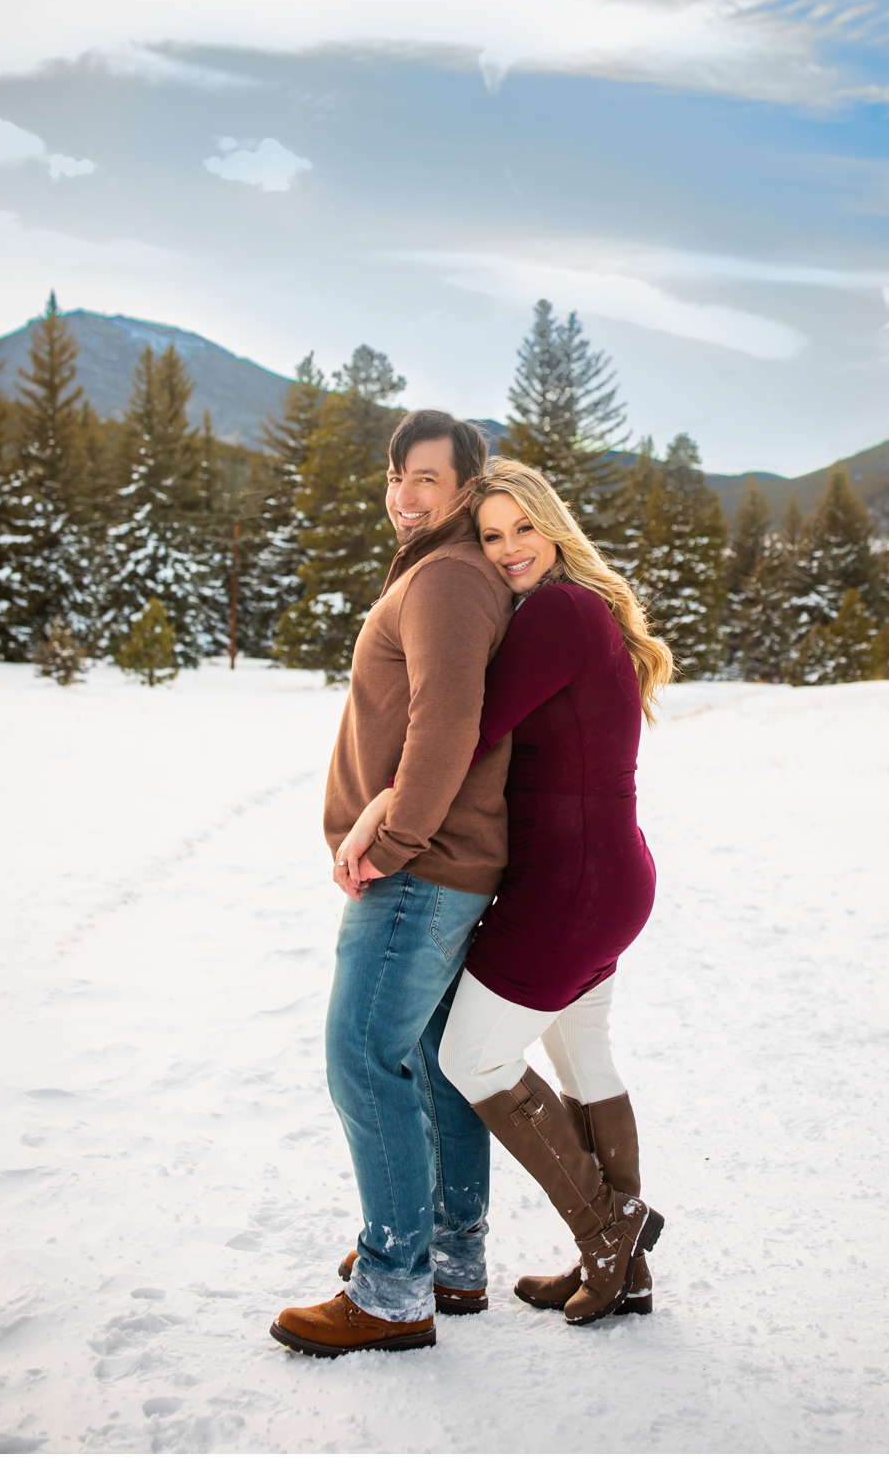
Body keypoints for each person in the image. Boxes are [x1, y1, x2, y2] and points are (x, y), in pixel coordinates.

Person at [342, 457, 669, 1325]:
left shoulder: (559, 610)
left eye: (524, 527)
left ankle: (611, 1234)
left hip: (571, 883)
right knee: (581, 1058)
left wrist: (387, 800)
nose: (509, 548)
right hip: (609, 876)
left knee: (469, 1058)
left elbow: (470, 725)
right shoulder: (578, 611)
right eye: (491, 534)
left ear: (554, 525)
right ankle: (622, 1269)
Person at [269, 410, 515, 1359]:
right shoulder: (449, 571)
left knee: (363, 1058)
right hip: (446, 864)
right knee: (429, 1061)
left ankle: (394, 1283)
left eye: (425, 478)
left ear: (464, 488)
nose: (403, 495)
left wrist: (396, 836)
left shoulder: (450, 576)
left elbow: (444, 722)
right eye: (394, 476)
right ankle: (451, 1257)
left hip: (421, 868)